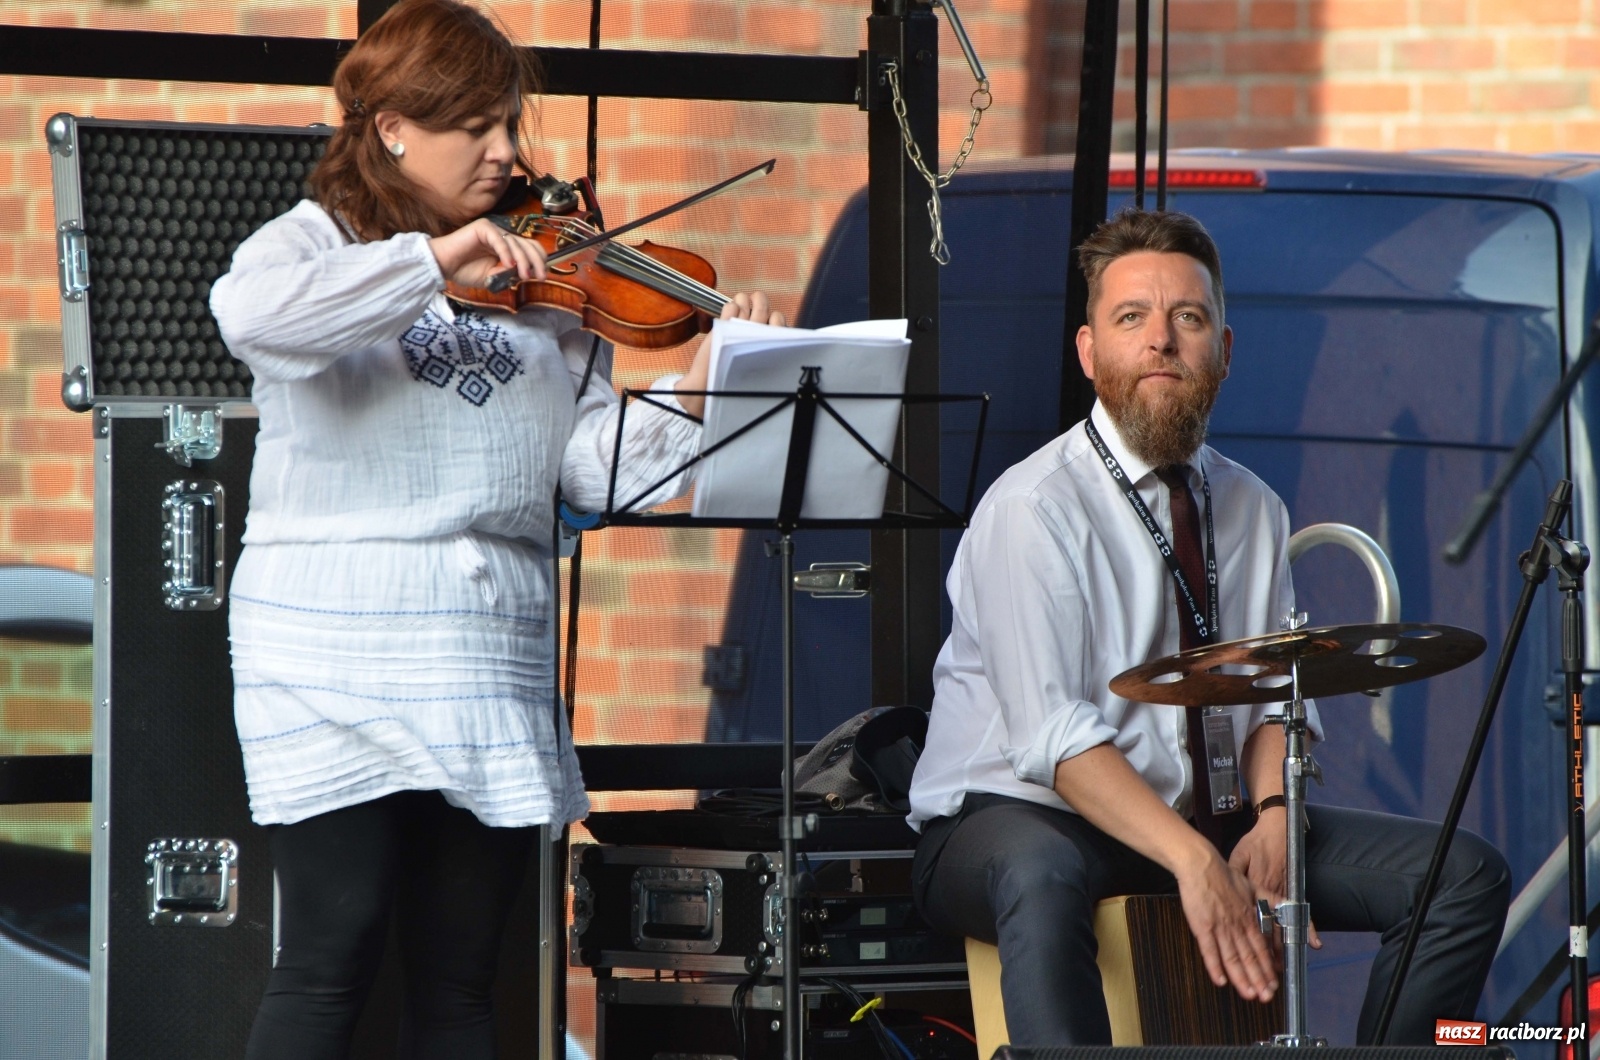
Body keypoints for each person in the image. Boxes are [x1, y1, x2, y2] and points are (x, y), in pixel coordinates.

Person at [208, 2, 783, 1056]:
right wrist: (431, 263)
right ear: (391, 129)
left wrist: (709, 383)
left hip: (485, 652)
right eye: (476, 125)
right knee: (330, 952)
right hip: (334, 651)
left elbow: (587, 470)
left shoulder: (552, 275)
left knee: (463, 977)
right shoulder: (314, 242)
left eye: (510, 123)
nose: (509, 151)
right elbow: (253, 318)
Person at [906, 209, 1510, 1046]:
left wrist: (1273, 813)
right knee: (1041, 871)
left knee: (1462, 875)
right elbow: (1054, 738)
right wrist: (1192, 861)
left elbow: (1274, 693)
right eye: (1131, 318)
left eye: (1186, 318)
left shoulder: (1254, 506)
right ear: (1089, 354)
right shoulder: (1032, 508)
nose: (1160, 341)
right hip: (1015, 815)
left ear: (1223, 349)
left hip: (1196, 814)